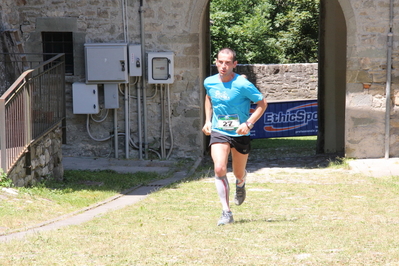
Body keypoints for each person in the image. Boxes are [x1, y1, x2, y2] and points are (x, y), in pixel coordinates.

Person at [202, 48, 267, 225]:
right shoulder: (209, 82)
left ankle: (240, 182)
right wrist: (208, 120)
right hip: (219, 131)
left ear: (234, 64)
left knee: (238, 172)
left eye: (228, 62)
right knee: (219, 168)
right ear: (216, 62)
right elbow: (209, 97)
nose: (223, 66)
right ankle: (226, 212)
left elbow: (262, 104)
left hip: (239, 133)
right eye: (220, 62)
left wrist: (248, 124)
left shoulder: (242, 84)